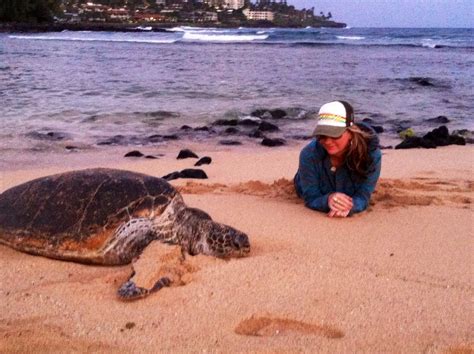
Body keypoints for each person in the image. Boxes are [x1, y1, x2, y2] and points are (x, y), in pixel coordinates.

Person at [294, 100, 381, 217]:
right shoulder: (309, 155)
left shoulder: (371, 155)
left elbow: (363, 196)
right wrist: (327, 200)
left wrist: (350, 207)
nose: (328, 141)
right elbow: (311, 197)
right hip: (305, 182)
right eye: (322, 135)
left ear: (351, 132)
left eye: (335, 134)